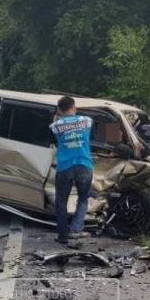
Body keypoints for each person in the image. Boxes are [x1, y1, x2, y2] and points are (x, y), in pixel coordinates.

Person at [49, 96, 93, 244]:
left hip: (65, 166)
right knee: (83, 198)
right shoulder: (86, 121)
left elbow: (55, 137)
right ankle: (76, 229)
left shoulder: (55, 125)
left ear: (59, 110)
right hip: (84, 164)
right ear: (74, 107)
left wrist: (59, 117)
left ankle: (63, 236)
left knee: (61, 201)